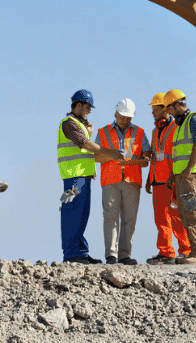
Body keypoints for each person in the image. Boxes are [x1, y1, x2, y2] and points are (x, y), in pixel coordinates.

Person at [58, 89, 122, 264]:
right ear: (78, 105)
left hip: (82, 176)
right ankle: (72, 254)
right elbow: (84, 144)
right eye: (87, 107)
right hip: (74, 176)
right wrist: (111, 153)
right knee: (72, 215)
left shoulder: (79, 125)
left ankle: (80, 253)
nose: (89, 111)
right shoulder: (69, 123)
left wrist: (88, 130)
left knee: (82, 215)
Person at [94, 99, 149, 265]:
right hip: (110, 180)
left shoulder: (139, 132)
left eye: (128, 118)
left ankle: (125, 255)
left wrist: (140, 160)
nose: (125, 120)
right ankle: (111, 255)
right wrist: (112, 156)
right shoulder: (102, 132)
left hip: (132, 180)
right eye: (122, 117)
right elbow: (96, 156)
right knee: (110, 217)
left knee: (129, 219)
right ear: (115, 113)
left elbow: (146, 156)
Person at [145, 92, 190, 264]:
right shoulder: (154, 131)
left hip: (171, 181)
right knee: (161, 220)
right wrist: (149, 179)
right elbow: (155, 157)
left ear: (166, 110)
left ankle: (186, 250)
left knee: (177, 218)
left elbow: (176, 156)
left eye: (156, 109)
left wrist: (175, 178)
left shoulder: (175, 128)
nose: (153, 113)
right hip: (157, 181)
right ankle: (166, 253)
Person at [166, 89, 196, 264]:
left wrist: (189, 169)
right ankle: (195, 252)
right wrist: (172, 175)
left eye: (169, 108)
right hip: (182, 178)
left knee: (193, 213)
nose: (168, 112)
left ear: (177, 105)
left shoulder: (194, 120)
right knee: (185, 215)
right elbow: (178, 155)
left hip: (190, 177)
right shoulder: (180, 126)